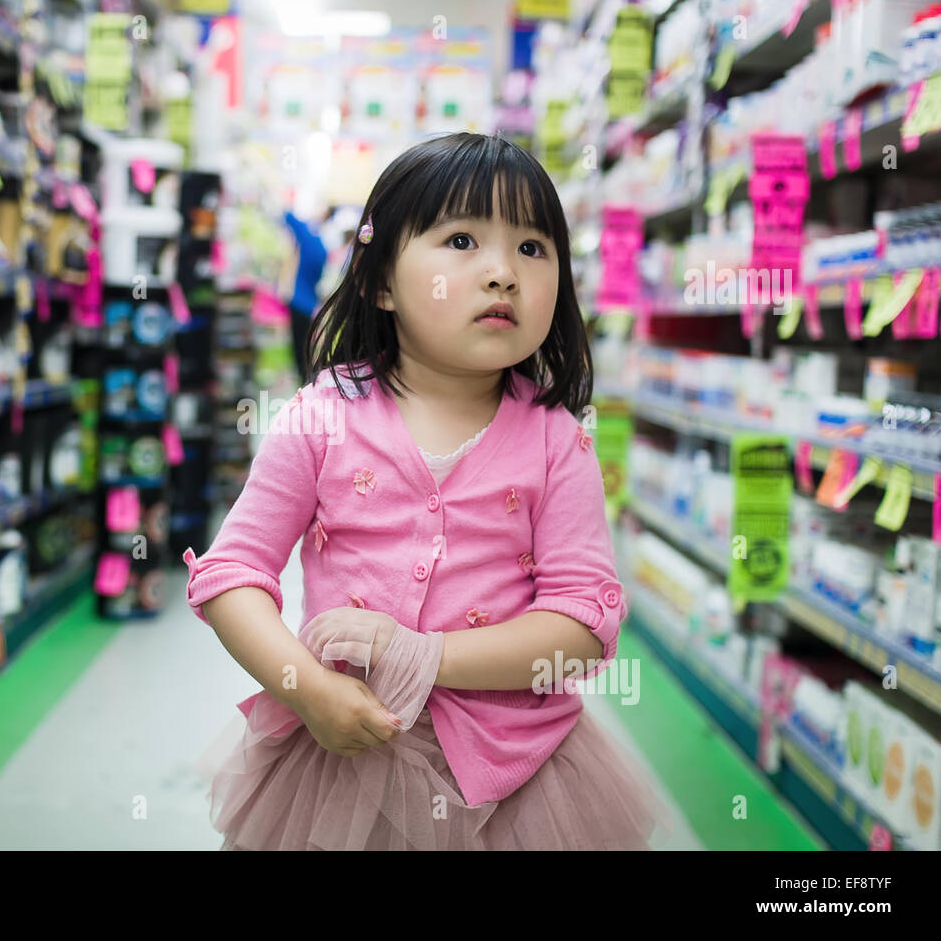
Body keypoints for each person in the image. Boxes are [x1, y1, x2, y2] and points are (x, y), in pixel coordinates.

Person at [182, 132, 673, 850]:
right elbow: (231, 575)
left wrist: (426, 655)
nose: (503, 272)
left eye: (533, 248)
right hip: (339, 761)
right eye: (462, 240)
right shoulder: (323, 415)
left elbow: (582, 627)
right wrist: (304, 687)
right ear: (381, 281)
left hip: (521, 777)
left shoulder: (556, 440)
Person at [282, 207, 329, 385]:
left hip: (298, 302)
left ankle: (303, 382)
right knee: (306, 347)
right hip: (310, 304)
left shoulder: (308, 239)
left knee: (298, 348)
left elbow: (288, 215)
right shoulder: (322, 248)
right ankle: (307, 380)